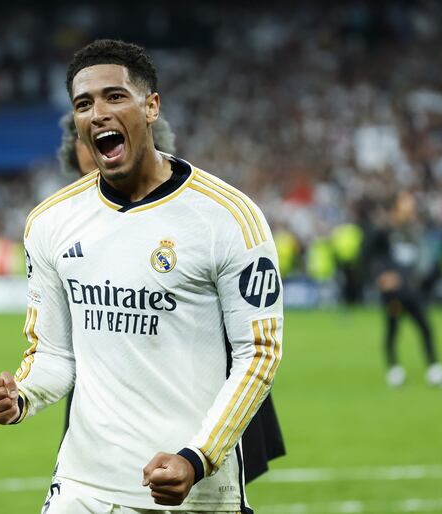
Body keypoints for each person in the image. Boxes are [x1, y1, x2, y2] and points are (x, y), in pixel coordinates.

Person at [0, 40, 283, 513]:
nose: (98, 112)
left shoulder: (229, 218)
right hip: (82, 486)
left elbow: (258, 354)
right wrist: (22, 394)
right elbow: (55, 353)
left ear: (152, 106)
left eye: (114, 96)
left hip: (191, 488)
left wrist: (197, 458)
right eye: (84, 104)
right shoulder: (51, 222)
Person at [57, 112, 285, 484]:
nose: (102, 184)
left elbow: (251, 343)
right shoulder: (71, 223)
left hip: (192, 388)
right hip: (102, 388)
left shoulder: (202, 216)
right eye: (90, 176)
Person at [367, 191, 442, 388]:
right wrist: (381, 277)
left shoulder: (412, 229)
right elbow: (372, 257)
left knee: (424, 326)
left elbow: (417, 258)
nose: (411, 206)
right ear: (396, 206)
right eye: (406, 202)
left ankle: (434, 369)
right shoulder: (383, 230)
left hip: (410, 289)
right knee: (393, 328)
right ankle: (394, 370)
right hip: (393, 293)